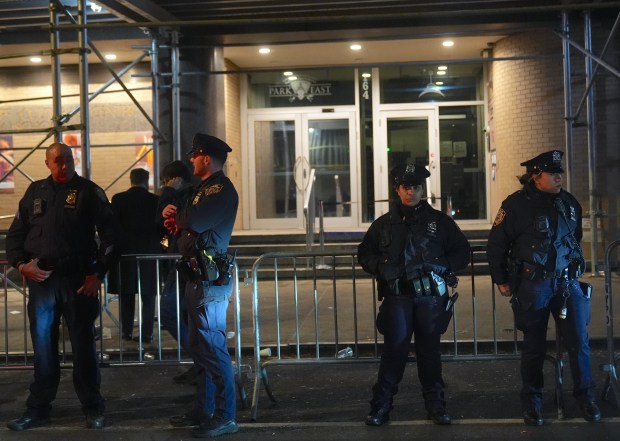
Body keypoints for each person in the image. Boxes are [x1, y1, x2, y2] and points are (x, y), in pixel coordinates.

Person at [5, 142, 116, 431]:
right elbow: (16, 235)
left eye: (68, 159)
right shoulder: (35, 192)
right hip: (42, 281)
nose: (64, 165)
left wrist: (97, 274)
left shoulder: (89, 192)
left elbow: (111, 235)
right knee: (43, 348)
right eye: (58, 161)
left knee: (83, 348)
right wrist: (21, 265)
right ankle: (38, 409)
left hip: (78, 280)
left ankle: (93, 407)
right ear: (47, 163)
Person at [487, 150, 601, 426]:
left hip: (567, 283)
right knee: (534, 346)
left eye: (560, 172)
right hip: (534, 284)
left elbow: (575, 238)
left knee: (579, 342)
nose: (559, 177)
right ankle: (532, 402)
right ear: (535, 176)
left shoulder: (569, 203)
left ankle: (586, 398)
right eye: (553, 173)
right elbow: (497, 244)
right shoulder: (515, 205)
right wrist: (501, 279)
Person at [358, 162, 470, 426]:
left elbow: (462, 252)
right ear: (397, 190)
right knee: (394, 352)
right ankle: (380, 407)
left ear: (423, 190)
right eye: (406, 187)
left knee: (429, 353)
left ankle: (436, 406)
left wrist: (441, 266)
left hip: (430, 298)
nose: (411, 192)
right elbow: (365, 254)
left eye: (416, 187)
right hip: (397, 297)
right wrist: (382, 268)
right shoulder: (384, 224)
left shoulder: (440, 222)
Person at [163, 133, 239, 438]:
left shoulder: (219, 190)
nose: (191, 160)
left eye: (195, 155)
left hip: (210, 279)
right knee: (200, 347)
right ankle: (204, 409)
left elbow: (193, 221)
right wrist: (178, 220)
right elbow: (184, 223)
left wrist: (180, 218)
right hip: (197, 277)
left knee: (212, 347)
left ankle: (225, 414)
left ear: (206, 158)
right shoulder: (203, 190)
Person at [156, 160, 198, 384]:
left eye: (165, 182)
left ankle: (203, 362)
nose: (163, 186)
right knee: (184, 317)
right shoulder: (182, 196)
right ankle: (201, 364)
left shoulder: (185, 195)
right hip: (179, 262)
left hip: (184, 263)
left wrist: (169, 191)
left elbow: (159, 218)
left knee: (169, 312)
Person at [110, 168, 162, 343]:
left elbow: (112, 225)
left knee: (126, 294)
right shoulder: (155, 200)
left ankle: (126, 331)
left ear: (131, 180)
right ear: (146, 181)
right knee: (148, 295)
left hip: (125, 253)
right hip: (149, 253)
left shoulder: (118, 199)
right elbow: (161, 227)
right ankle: (147, 333)